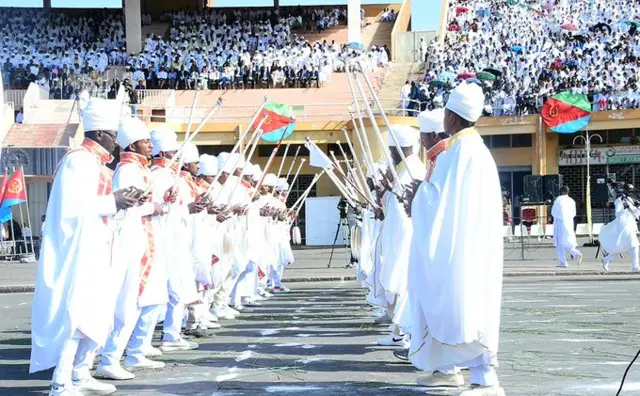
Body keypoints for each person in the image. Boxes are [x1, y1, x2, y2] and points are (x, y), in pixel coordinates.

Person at [30, 97, 139, 396]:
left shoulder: (96, 164)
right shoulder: (78, 160)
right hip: (77, 252)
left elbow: (99, 207)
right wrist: (113, 201)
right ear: (100, 134)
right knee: (75, 316)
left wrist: (120, 202)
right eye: (113, 136)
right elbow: (72, 208)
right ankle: (60, 383)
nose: (116, 143)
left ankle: (81, 374)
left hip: (98, 248)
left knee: (96, 314)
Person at [407, 82, 505, 395]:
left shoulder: (459, 153)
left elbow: (437, 201)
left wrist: (417, 194)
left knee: (465, 306)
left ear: (451, 116)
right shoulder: (475, 150)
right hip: (471, 244)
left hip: (464, 246)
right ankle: (456, 371)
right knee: (465, 306)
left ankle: (485, 377)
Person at [96, 117, 168, 380]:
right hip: (129, 240)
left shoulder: (140, 169)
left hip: (142, 238)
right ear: (133, 144)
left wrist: (159, 204)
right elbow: (124, 208)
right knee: (126, 304)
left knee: (144, 300)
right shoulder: (127, 170)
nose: (150, 145)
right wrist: (153, 207)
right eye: (146, 141)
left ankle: (130, 353)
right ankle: (110, 358)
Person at [376, 125, 425, 349]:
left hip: (407, 240)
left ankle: (410, 338)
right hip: (397, 238)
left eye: (391, 149)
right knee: (399, 289)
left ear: (398, 149)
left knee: (405, 288)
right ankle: (399, 334)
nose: (390, 154)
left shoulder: (413, 170)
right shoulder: (401, 170)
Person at [599, 184, 640, 272]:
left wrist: (637, 206)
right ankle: (635, 267)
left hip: (631, 225)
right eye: (630, 190)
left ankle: (606, 259)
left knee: (627, 246)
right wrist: (625, 207)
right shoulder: (619, 200)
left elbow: (637, 214)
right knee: (633, 245)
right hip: (623, 225)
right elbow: (617, 213)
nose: (631, 192)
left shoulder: (632, 200)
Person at [551, 186, 583, 268]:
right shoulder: (571, 201)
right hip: (569, 223)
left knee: (560, 243)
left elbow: (553, 212)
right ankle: (576, 253)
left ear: (561, 192)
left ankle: (563, 262)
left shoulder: (558, 199)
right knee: (568, 242)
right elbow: (574, 213)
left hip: (560, 224)